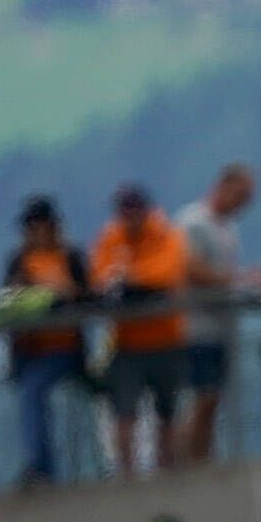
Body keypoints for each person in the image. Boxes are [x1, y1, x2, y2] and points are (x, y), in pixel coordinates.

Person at [91, 183, 192, 476]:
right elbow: (100, 276)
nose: (129, 217)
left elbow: (165, 273)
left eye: (135, 210)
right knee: (124, 410)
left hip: (167, 339)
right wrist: (130, 283)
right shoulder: (111, 237)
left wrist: (130, 279)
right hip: (127, 342)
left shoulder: (166, 234)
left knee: (168, 411)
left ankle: (168, 470)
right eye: (124, 211)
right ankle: (127, 473)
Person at [0, 198, 89, 487]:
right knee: (31, 396)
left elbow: (86, 296)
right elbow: (8, 301)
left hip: (63, 348)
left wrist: (59, 294)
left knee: (33, 392)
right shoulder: (18, 261)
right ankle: (42, 467)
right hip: (28, 348)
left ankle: (40, 467)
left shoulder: (70, 257)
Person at [173, 163, 255, 463]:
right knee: (200, 398)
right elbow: (191, 268)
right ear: (225, 186)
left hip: (221, 327)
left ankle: (202, 456)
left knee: (212, 399)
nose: (244, 204)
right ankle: (185, 458)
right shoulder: (192, 222)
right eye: (241, 195)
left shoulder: (228, 229)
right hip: (196, 326)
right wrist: (236, 280)